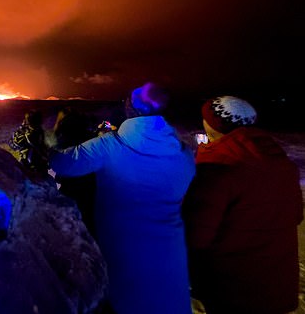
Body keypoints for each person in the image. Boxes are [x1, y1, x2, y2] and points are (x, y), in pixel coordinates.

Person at [49, 82, 195, 314]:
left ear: (131, 107)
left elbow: (62, 164)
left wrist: (51, 138)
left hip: (122, 251)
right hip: (171, 252)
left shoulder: (110, 146)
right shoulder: (183, 153)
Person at [182, 96, 303, 314]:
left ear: (214, 125)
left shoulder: (217, 167)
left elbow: (196, 236)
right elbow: (296, 216)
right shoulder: (282, 163)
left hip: (232, 287)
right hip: (277, 283)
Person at [51, 107, 98, 237]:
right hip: (88, 189)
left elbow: (53, 171)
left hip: (72, 190)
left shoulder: (62, 152)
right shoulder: (93, 147)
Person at [8, 109, 49, 175]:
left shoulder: (29, 133)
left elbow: (15, 144)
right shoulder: (40, 132)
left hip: (30, 165)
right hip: (37, 165)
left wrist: (21, 130)